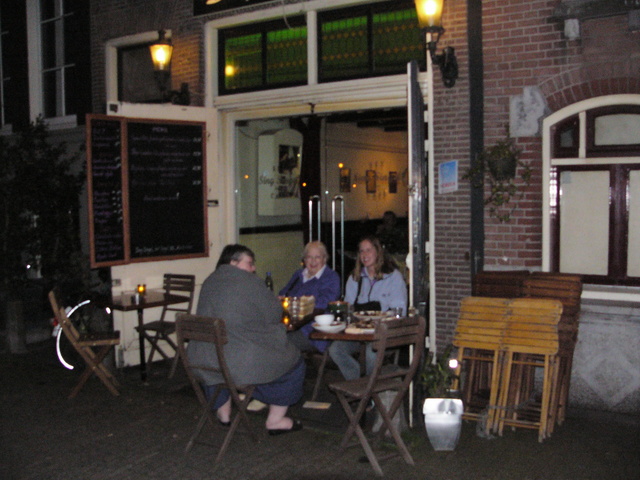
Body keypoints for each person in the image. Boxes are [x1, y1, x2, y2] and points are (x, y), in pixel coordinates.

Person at [186, 244, 304, 435]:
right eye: (250, 263)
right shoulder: (249, 282)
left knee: (221, 356)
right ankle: (276, 421)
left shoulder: (209, 281)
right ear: (233, 262)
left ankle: (224, 414)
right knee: (294, 361)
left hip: (203, 360)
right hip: (235, 364)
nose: (253, 268)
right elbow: (274, 314)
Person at [328, 235, 407, 380]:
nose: (364, 255)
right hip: (359, 334)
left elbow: (399, 311)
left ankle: (371, 388)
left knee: (372, 353)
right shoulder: (355, 278)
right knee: (335, 350)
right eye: (361, 251)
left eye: (368, 250)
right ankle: (358, 382)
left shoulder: (393, 277)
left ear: (378, 252)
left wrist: (382, 321)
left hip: (384, 334)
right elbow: (348, 308)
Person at [279, 241, 341, 353]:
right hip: (290, 326)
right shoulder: (299, 275)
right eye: (309, 257)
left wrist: (298, 304)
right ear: (304, 260)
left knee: (280, 343)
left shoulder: (331, 277)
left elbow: (324, 303)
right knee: (266, 338)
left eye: (317, 257)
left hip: (313, 331)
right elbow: (284, 293)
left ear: (325, 259)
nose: (313, 261)